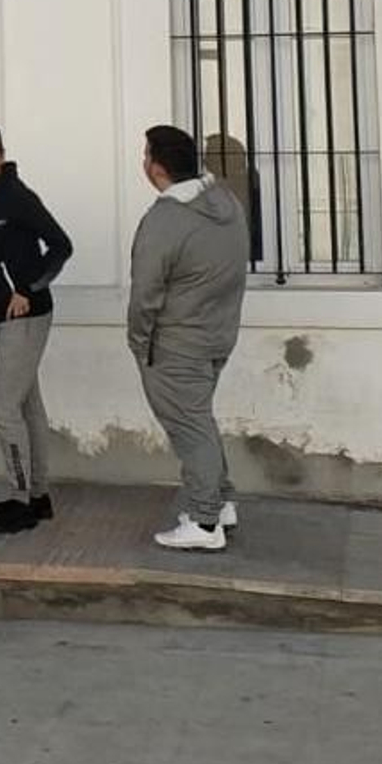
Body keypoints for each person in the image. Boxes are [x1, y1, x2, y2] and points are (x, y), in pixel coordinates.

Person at [128, 125, 250, 552]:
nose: (143, 161)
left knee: (189, 427)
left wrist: (140, 343)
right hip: (218, 334)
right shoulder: (225, 202)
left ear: (158, 167)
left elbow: (145, 293)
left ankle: (203, 521)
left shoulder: (165, 220)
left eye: (146, 155)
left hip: (177, 343)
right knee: (199, 419)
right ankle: (221, 502)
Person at [0, 123, 73, 534]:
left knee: (3, 406)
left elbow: (62, 245)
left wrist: (27, 288)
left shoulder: (18, 197)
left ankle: (20, 497)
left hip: (27, 314)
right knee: (27, 406)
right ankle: (38, 495)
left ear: (2, 155)